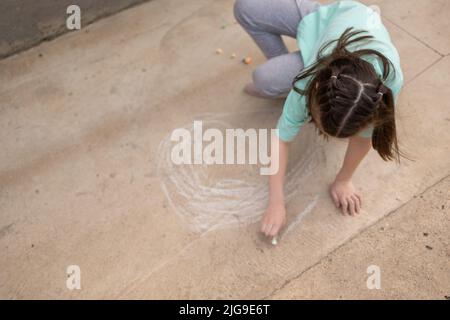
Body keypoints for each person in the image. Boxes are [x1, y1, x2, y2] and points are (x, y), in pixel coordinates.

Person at [234, 0, 404, 237]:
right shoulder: (307, 82)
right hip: (331, 18)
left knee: (264, 80)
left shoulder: (383, 89)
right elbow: (280, 139)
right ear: (313, 93)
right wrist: (275, 201)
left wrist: (343, 180)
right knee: (246, 8)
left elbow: (363, 141)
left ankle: (284, 74)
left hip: (345, 35)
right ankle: (285, 77)